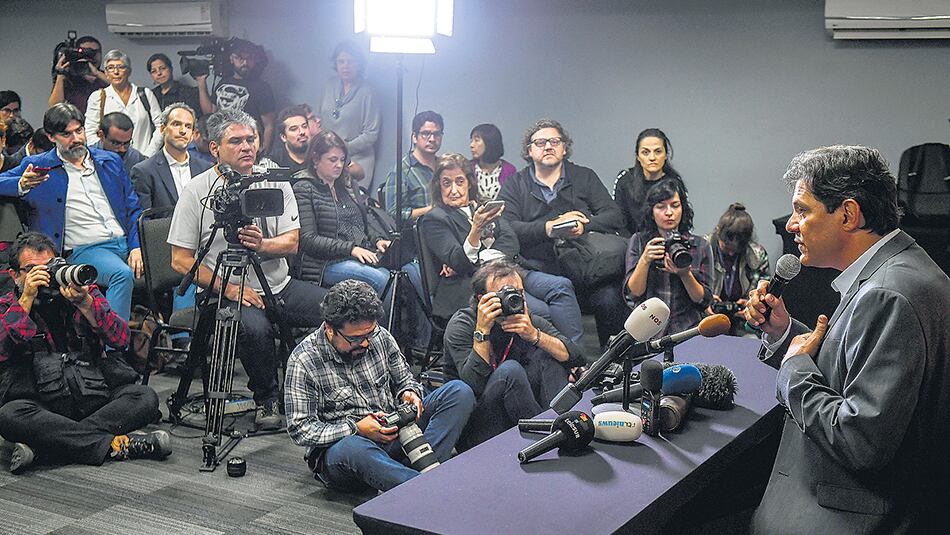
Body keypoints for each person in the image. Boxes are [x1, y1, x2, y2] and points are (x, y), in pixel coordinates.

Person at [744, 145, 950, 534]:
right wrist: (785, 333)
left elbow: (860, 440)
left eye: (802, 210)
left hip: (846, 518)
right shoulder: (900, 270)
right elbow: (855, 369)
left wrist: (793, 368)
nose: (791, 224)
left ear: (849, 214)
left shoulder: (887, 294)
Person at [168, 109, 325, 430]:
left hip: (279, 286)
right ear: (215, 149)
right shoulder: (198, 191)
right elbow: (180, 260)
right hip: (226, 289)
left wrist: (262, 245)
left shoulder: (273, 182)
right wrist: (230, 290)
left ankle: (326, 387)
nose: (246, 147)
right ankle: (266, 399)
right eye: (236, 141)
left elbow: (293, 242)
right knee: (255, 329)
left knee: (338, 308)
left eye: (251, 139)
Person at [0, 232, 171, 474]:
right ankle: (117, 444)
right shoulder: (8, 304)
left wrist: (86, 304)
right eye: (32, 269)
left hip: (92, 396)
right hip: (42, 404)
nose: (44, 276)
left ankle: (46, 447)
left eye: (49, 267)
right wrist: (26, 300)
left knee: (144, 397)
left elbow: (121, 339)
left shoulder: (79, 289)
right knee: (9, 416)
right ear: (15, 275)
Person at [284, 279, 474, 492]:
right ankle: (428, 489)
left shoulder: (380, 336)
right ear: (330, 329)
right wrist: (356, 428)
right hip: (347, 450)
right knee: (353, 447)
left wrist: (409, 392)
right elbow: (300, 429)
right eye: (356, 339)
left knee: (459, 392)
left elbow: (406, 380)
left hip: (393, 431)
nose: (365, 342)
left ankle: (408, 476)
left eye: (369, 334)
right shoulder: (304, 360)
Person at [0, 103, 143, 321]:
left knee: (189, 260)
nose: (76, 138)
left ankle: (183, 339)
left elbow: (134, 209)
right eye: (66, 134)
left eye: (79, 130)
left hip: (124, 242)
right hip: (84, 249)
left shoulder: (109, 160)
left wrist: (136, 246)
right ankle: (115, 349)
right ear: (51, 137)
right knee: (121, 275)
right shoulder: (38, 166)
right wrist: (21, 184)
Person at [421, 153, 583, 343]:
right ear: (438, 186)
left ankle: (575, 361)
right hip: (479, 284)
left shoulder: (486, 206)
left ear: (469, 183)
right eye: (446, 183)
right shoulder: (436, 218)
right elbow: (458, 260)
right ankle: (556, 362)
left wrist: (479, 255)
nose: (454, 189)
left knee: (561, 286)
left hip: (513, 270)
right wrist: (476, 229)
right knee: (542, 312)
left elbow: (511, 240)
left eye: (459, 181)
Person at [499, 118, 628, 347]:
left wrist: (583, 224)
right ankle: (567, 367)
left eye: (554, 141)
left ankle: (615, 368)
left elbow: (614, 216)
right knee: (541, 308)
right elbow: (507, 227)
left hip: (588, 270)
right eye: (540, 142)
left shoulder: (584, 176)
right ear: (529, 151)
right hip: (539, 270)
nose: (548, 146)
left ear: (564, 148)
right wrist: (549, 228)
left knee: (610, 298)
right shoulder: (515, 184)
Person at [443, 260, 582, 448]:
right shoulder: (462, 324)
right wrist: (482, 331)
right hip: (478, 424)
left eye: (519, 293)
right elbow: (472, 385)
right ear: (481, 298)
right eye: (504, 294)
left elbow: (576, 356)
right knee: (510, 370)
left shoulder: (525, 318)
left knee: (548, 356)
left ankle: (562, 425)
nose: (513, 299)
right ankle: (549, 437)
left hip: (518, 410)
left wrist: (535, 335)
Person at [292, 130, 392, 295]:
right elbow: (308, 240)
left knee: (403, 272)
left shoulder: (345, 184)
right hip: (323, 263)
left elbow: (362, 222)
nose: (339, 165)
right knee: (382, 280)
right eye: (332, 160)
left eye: (342, 160)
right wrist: (351, 249)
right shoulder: (303, 188)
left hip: (357, 253)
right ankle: (379, 322)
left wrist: (377, 240)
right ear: (316, 159)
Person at [624, 178, 713, 334]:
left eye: (675, 205)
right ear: (651, 212)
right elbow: (632, 295)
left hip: (687, 331)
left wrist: (685, 274)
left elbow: (703, 301)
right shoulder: (640, 242)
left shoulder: (700, 245)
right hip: (648, 331)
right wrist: (645, 260)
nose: (669, 213)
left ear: (683, 208)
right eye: (660, 207)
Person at [197, 39, 276, 153]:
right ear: (232, 59)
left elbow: (269, 125)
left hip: (247, 146)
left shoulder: (262, 88)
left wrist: (263, 154)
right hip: (223, 145)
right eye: (240, 58)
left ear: (255, 61)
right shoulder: (222, 83)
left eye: (249, 58)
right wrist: (201, 82)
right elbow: (210, 112)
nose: (245, 62)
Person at [318, 41, 380, 185]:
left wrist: (341, 150)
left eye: (351, 62)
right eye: (341, 61)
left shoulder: (368, 92)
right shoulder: (329, 85)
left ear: (359, 64)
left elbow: (371, 134)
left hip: (357, 160)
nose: (345, 66)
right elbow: (320, 119)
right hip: (327, 156)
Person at [130, 103, 211, 211]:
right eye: (177, 124)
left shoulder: (206, 170)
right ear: (163, 129)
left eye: (188, 126)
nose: (183, 131)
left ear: (192, 134)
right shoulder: (144, 171)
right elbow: (145, 221)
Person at [705, 202, 769, 337]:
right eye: (727, 248)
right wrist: (704, 301)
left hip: (742, 324)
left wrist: (752, 305)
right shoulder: (701, 249)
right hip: (705, 320)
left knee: (752, 340)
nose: (731, 254)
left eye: (737, 250)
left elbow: (765, 296)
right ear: (718, 231)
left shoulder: (757, 255)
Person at [84, 50, 162, 157]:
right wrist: (103, 155)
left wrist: (148, 155)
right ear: (106, 73)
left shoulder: (145, 94)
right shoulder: (98, 97)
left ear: (128, 71)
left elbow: (161, 127)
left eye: (120, 67)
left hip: (144, 160)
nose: (116, 72)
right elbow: (90, 132)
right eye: (110, 68)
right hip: (110, 161)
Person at [614, 128, 684, 235]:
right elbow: (618, 221)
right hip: (630, 244)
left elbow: (684, 222)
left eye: (658, 152)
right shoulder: (625, 180)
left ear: (666, 155)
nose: (652, 157)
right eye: (645, 152)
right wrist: (634, 248)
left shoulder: (675, 183)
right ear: (638, 156)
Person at [383, 110, 443, 225]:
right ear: (414, 137)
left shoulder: (444, 166)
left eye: (437, 134)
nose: (432, 139)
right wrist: (432, 210)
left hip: (449, 227)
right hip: (421, 233)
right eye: (426, 133)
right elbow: (393, 213)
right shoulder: (401, 171)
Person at [48, 35, 109, 111]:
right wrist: (60, 74)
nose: (90, 56)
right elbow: (54, 107)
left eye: (95, 52)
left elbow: (122, 90)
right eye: (85, 52)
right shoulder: (68, 79)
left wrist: (97, 73)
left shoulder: (106, 78)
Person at [469, 123, 517, 201]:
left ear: (490, 142)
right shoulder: (468, 168)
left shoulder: (509, 170)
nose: (471, 145)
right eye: (471, 140)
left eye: (476, 140)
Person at [262, 105, 311, 176]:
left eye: (304, 126)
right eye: (294, 129)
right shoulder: (273, 164)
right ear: (283, 137)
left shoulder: (320, 157)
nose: (302, 132)